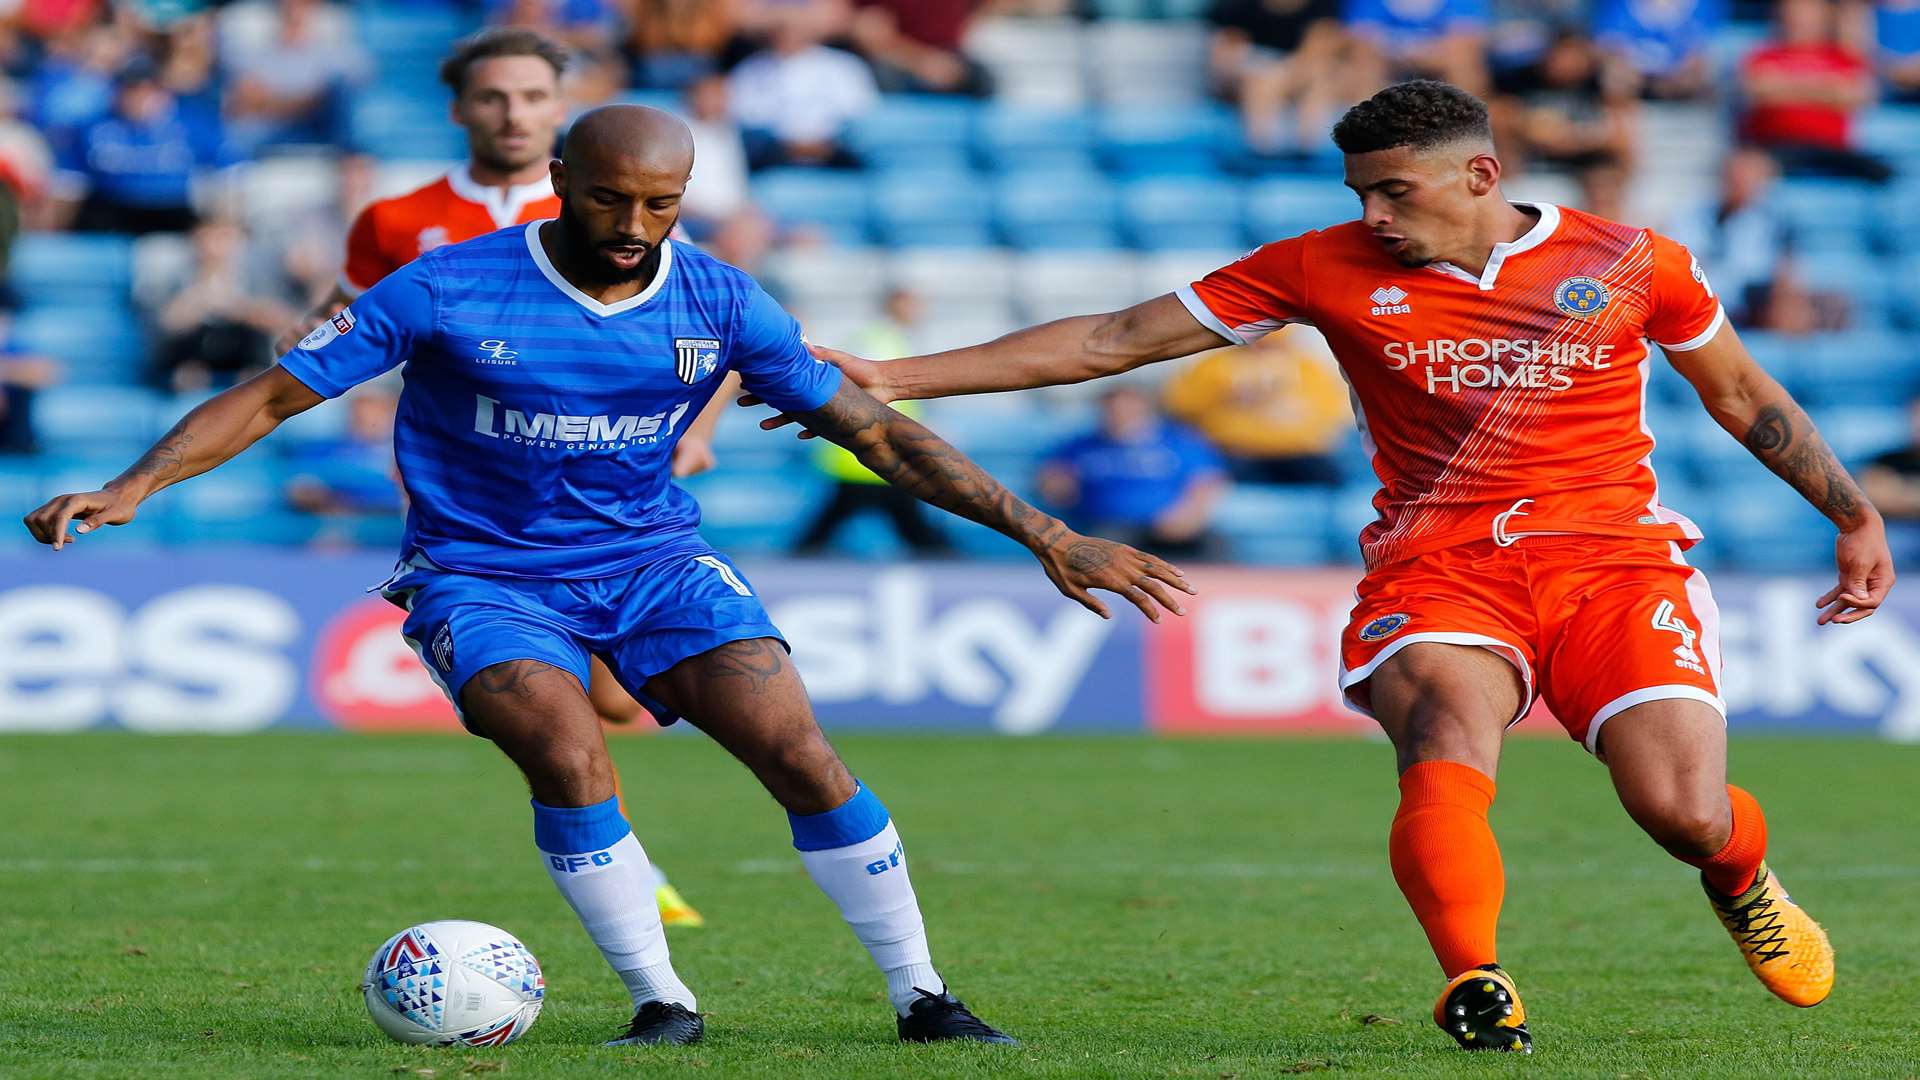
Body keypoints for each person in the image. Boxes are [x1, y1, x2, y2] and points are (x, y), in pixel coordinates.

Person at [25, 103, 1188, 1048]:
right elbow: (275, 394)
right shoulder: (447, 289)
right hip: (479, 573)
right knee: (565, 745)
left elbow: (878, 434)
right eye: (610, 197)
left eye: (661, 203)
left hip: (655, 561)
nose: (635, 222)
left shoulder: (721, 296)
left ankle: (923, 997)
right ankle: (661, 1001)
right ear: (562, 180)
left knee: (796, 750)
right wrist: (137, 483)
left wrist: (1044, 531)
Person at [771, 79, 1888, 1054]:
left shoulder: (1631, 262)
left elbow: (1742, 396)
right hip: (1439, 567)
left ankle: (1740, 880)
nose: (1371, 214)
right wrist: (892, 374)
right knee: (1447, 739)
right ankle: (1475, 978)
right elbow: (1115, 341)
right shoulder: (1319, 266)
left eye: (1393, 192)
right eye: (1359, 191)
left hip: (1614, 562)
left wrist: (1850, 514)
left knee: (1682, 812)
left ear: (1479, 174)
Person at [273, 28, 717, 929]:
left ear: (561, 112)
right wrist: (301, 340)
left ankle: (608, 836)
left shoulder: (625, 210)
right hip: (481, 499)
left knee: (617, 704)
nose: (511, 113)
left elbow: (721, 335)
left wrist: (697, 430)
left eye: (530, 97)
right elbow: (349, 317)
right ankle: (627, 863)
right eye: (492, 98)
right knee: (555, 717)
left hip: (609, 497)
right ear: (461, 109)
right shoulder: (399, 222)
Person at [792, 286, 952, 556]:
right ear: (895, 305)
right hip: (873, 448)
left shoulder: (894, 339)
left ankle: (795, 562)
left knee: (829, 526)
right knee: (915, 529)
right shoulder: (881, 341)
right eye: (911, 304)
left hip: (873, 450)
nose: (917, 312)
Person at [1039, 385, 1228, 560]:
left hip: (1172, 524)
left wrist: (1187, 516)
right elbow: (1053, 481)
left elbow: (1206, 482)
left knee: (1216, 545)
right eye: (1114, 410)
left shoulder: (1179, 443)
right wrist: (1059, 487)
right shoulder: (1080, 447)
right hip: (1110, 527)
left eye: (1128, 410)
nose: (1121, 416)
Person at [1161, 325, 1349, 486]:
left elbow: (1332, 411)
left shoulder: (1307, 366)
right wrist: (1227, 398)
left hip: (1299, 451)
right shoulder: (1214, 365)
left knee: (1333, 480)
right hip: (1236, 451)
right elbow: (1183, 407)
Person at [1738, 0, 1890, 183]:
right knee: (1748, 168)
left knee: (1887, 175)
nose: (1800, 18)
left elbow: (1857, 95)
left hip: (1833, 147)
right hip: (1776, 146)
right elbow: (1759, 92)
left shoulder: (1842, 56)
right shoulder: (1762, 54)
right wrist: (1828, 90)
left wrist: (1785, 88)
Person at [1207, 0, 1352, 157]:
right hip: (1250, 77)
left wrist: (1284, 75)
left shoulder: (1322, 7)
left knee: (1320, 79)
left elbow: (1319, 52)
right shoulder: (1238, 7)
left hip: (1301, 76)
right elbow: (1226, 62)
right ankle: (1263, 152)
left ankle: (1309, 152)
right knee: (1262, 81)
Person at [1862, 397, 1920, 565]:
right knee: (1892, 541)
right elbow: (1876, 501)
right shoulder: (1886, 460)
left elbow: (1891, 498)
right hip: (1901, 532)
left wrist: (1902, 492)